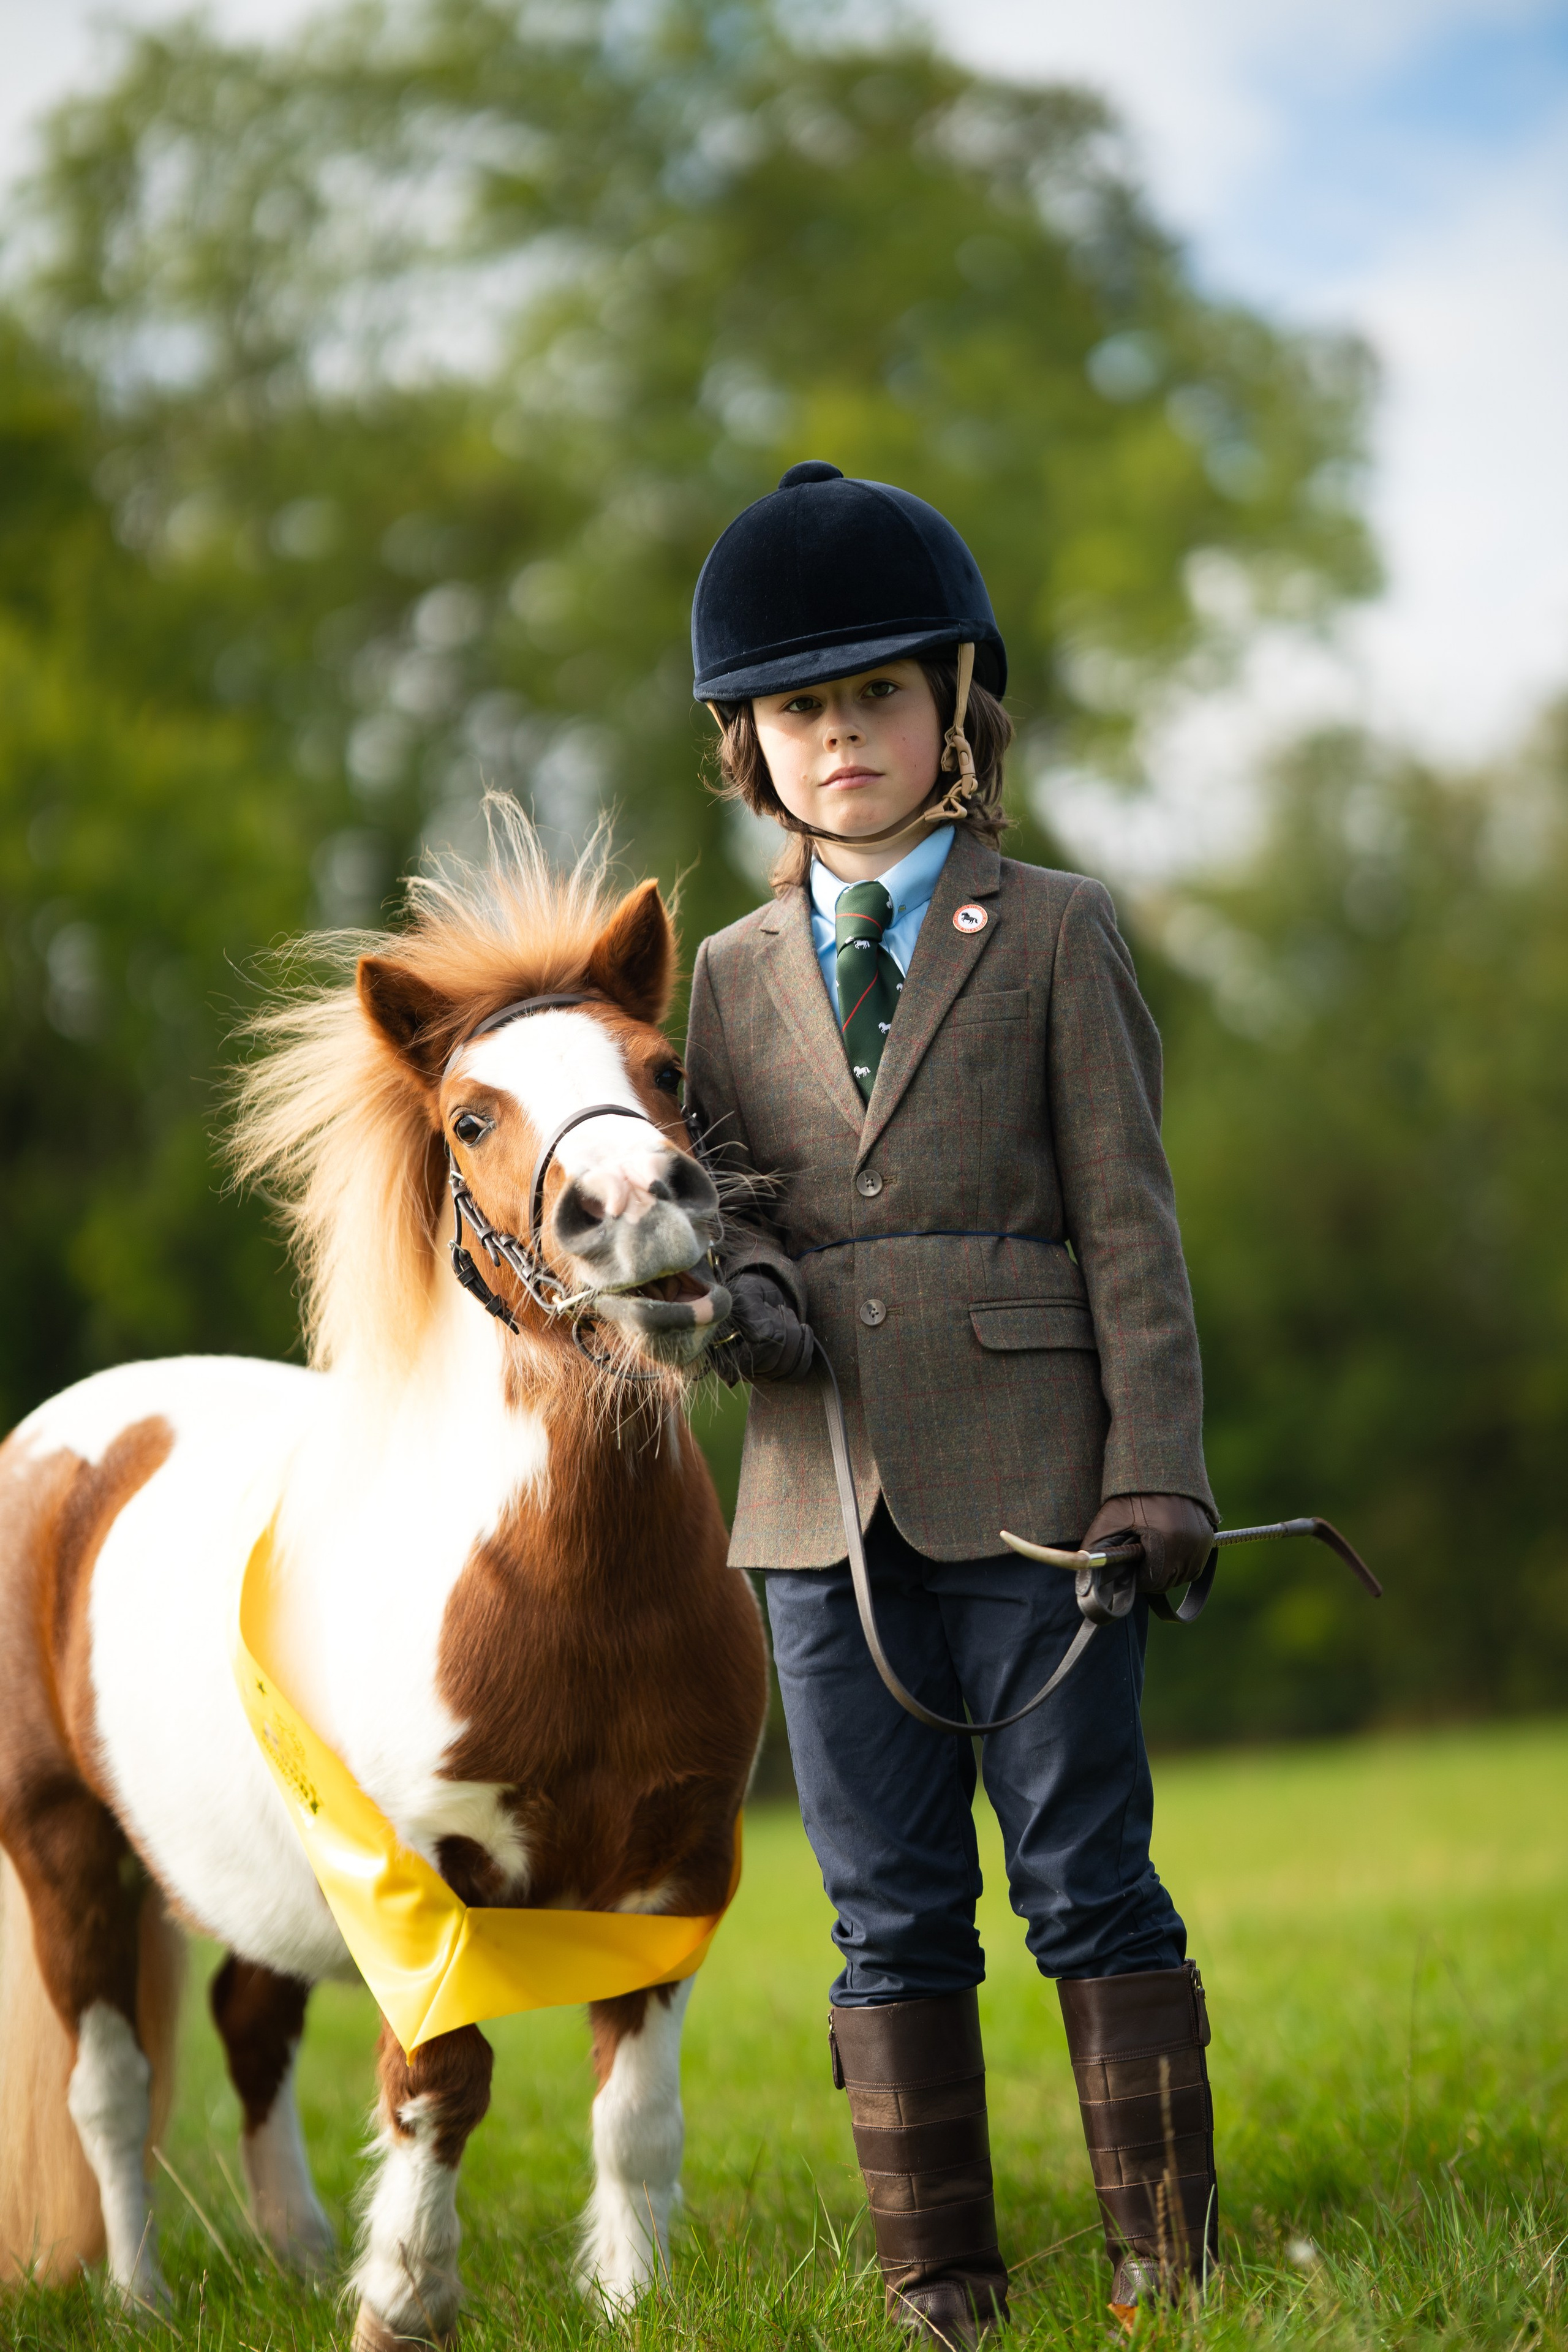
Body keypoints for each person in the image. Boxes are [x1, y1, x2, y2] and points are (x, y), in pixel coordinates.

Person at [683, 461, 1220, 2343]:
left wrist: (1159, 1468)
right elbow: (727, 1213)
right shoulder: (726, 976)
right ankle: (943, 2283)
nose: (844, 738)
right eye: (804, 710)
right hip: (821, 1510)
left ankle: (1167, 2253)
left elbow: (1132, 1227)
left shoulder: (1057, 929)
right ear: (750, 743)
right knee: (887, 1911)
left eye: (880, 698)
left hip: (1046, 1494)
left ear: (952, 713)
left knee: (1085, 1873)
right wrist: (735, 1299)